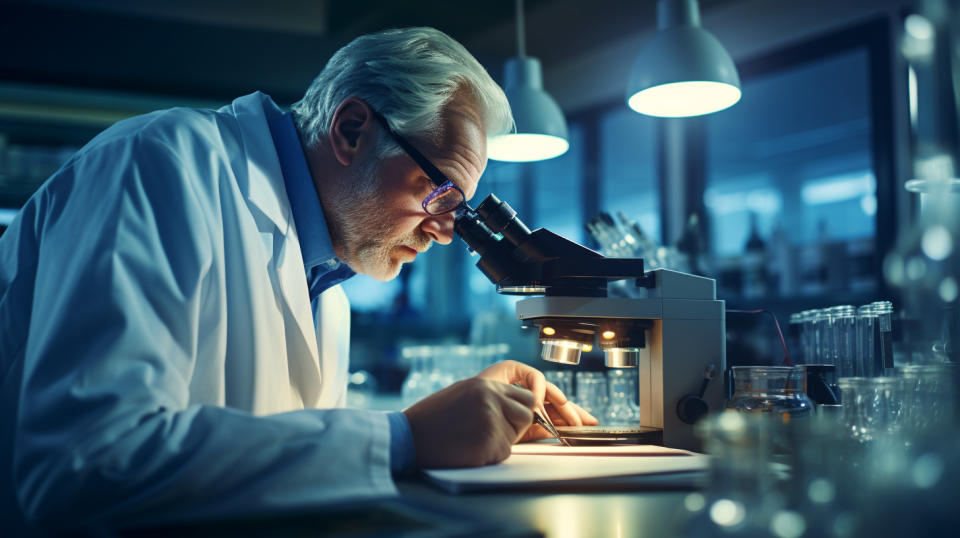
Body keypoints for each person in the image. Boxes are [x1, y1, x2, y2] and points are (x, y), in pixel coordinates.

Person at [0, 27, 595, 534]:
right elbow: (83, 463)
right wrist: (404, 438)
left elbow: (269, 465)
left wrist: (461, 422)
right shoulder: (160, 165)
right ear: (353, 128)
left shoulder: (325, 283)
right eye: (440, 194)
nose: (445, 232)